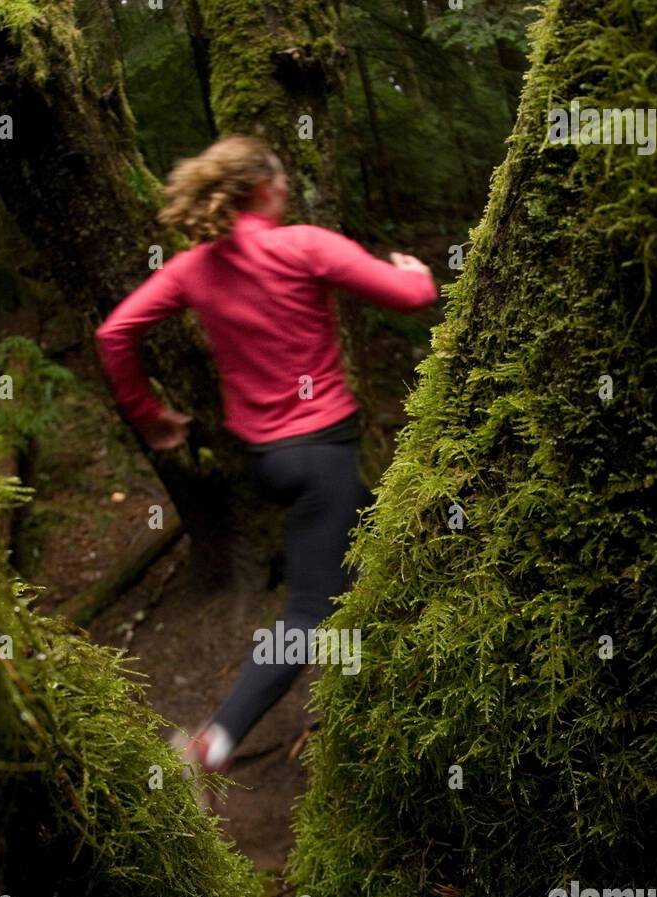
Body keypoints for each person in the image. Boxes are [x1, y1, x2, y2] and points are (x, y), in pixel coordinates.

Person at [95, 135, 437, 782]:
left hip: (270, 462)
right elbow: (412, 298)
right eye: (278, 179)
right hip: (322, 456)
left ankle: (387, 688)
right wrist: (415, 270)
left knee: (376, 543)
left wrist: (150, 417)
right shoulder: (305, 244)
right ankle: (212, 743)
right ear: (261, 189)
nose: (284, 188)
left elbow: (114, 333)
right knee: (309, 610)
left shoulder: (193, 268)